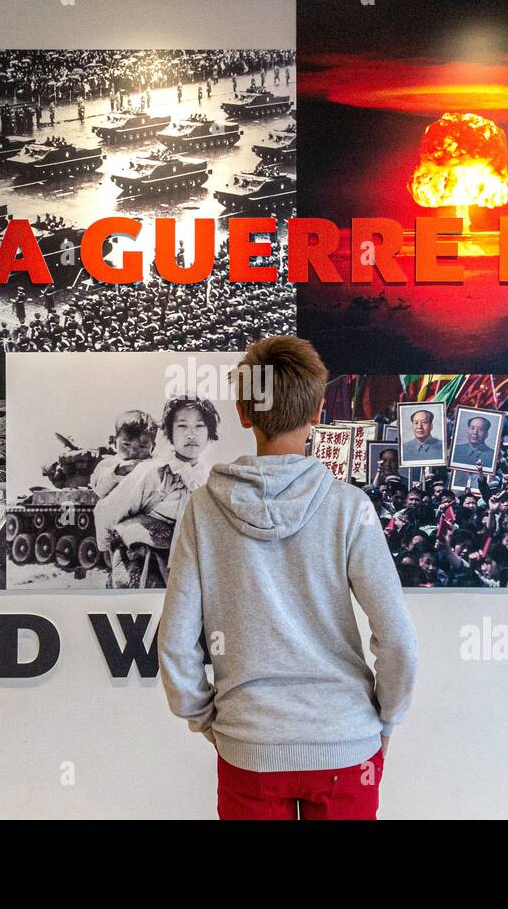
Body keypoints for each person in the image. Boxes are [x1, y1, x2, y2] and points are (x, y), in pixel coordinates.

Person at [158, 335, 419, 821]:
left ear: (242, 411)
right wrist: (386, 719)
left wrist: (208, 721)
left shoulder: (202, 510)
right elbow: (399, 639)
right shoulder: (349, 507)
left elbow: (174, 642)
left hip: (249, 747)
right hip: (346, 746)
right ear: (318, 411)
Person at [94, 395, 219, 589]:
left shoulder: (208, 481)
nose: (191, 434)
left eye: (200, 426)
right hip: (145, 570)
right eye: (182, 426)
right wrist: (107, 551)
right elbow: (106, 511)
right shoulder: (152, 472)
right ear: (169, 433)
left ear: (210, 435)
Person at [89, 409, 158, 497]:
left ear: (152, 448)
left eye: (142, 446)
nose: (133, 451)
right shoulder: (108, 464)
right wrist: (118, 471)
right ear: (114, 443)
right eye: (126, 444)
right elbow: (99, 490)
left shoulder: (154, 464)